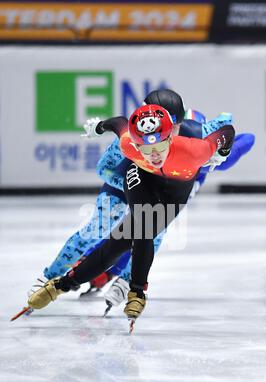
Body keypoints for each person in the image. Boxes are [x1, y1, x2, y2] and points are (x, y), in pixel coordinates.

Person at [25, 97, 235, 330]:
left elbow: (229, 129)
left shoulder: (196, 147)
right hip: (135, 181)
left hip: (171, 192)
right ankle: (63, 282)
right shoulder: (129, 145)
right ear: (137, 143)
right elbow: (116, 134)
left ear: (173, 132)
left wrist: (222, 151)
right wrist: (99, 127)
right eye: (146, 148)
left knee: (131, 238)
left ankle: (106, 283)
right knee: (117, 231)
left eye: (159, 146)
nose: (154, 155)